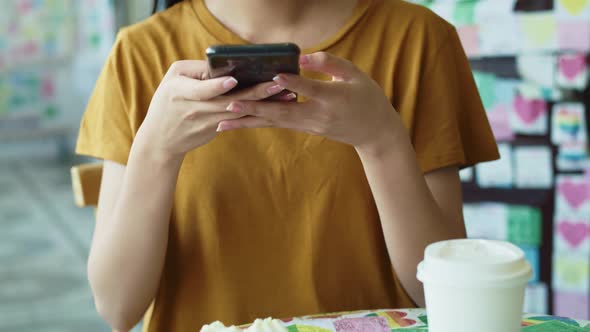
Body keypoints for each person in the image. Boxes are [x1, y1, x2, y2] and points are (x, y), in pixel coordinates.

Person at [76, 0, 499, 331]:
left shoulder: (418, 40)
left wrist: (382, 141)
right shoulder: (139, 53)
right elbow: (117, 306)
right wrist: (156, 152)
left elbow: (439, 294)